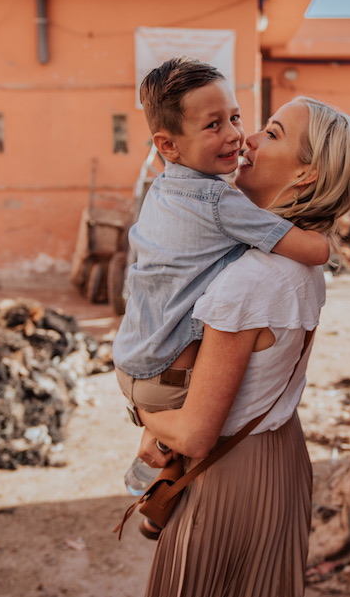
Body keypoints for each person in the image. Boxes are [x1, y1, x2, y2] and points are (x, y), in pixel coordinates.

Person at [125, 95, 350, 597]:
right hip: (280, 464)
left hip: (229, 486)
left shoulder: (249, 279)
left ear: (306, 172)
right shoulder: (295, 264)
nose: (247, 139)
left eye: (271, 131)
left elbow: (197, 433)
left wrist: (139, 406)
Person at [113, 58, 330, 434]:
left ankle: (155, 447)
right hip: (169, 382)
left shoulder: (162, 189)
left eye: (235, 117)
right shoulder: (219, 201)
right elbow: (316, 252)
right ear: (168, 145)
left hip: (129, 365)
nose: (236, 135)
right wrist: (325, 221)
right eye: (213, 125)